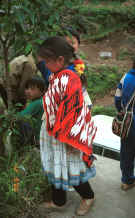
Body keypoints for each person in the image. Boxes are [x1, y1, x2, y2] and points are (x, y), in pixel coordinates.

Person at [38, 36, 97, 216]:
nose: (45, 65)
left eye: (47, 61)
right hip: (55, 132)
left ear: (60, 60)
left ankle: (88, 196)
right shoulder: (58, 74)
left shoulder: (69, 79)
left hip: (67, 136)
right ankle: (59, 201)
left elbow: (73, 112)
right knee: (56, 164)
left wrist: (71, 139)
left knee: (72, 167)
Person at [37, 27, 92, 109]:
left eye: (72, 43)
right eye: (66, 43)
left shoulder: (77, 64)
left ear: (78, 45)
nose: (69, 46)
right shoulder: (53, 62)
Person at [114, 52, 135, 198]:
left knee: (126, 155)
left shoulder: (126, 77)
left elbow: (117, 99)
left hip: (126, 127)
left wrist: (122, 111)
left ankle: (127, 181)